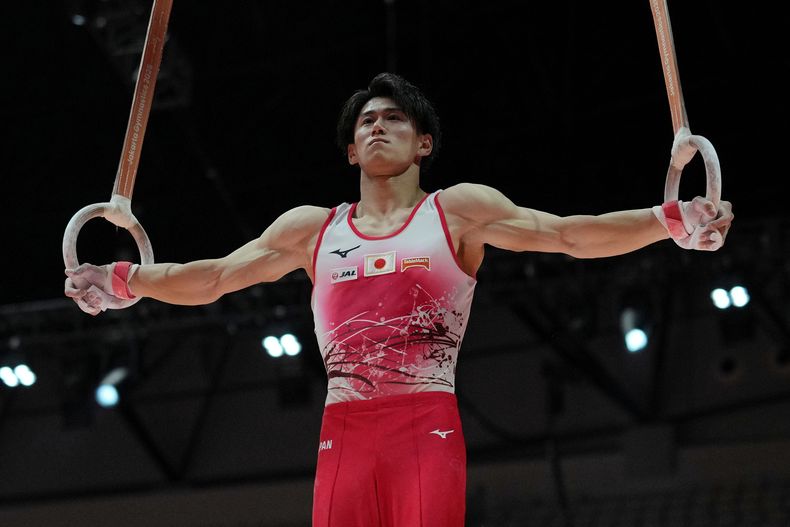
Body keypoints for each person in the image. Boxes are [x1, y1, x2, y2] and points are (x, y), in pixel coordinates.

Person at [64, 72, 733, 526]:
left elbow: (567, 235)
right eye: (366, 122)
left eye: (394, 118)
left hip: (425, 421)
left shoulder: (458, 212)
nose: (377, 127)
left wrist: (671, 219)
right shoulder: (312, 231)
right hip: (345, 428)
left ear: (424, 143)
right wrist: (121, 279)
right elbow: (210, 277)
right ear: (351, 151)